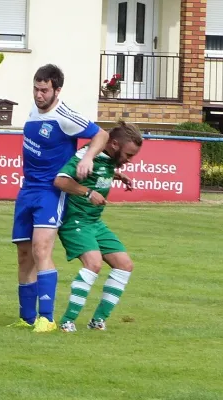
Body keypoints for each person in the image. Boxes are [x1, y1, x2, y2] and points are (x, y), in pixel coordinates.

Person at [11, 64, 109, 333]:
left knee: (41, 250)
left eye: (44, 90)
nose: (39, 95)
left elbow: (101, 135)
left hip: (50, 192)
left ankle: (47, 318)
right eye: (36, 88)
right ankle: (27, 317)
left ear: (57, 90)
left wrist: (87, 157)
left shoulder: (65, 115)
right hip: (27, 190)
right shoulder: (32, 111)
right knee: (23, 255)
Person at [53, 121, 143, 332]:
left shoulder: (110, 159)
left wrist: (119, 176)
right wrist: (88, 192)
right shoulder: (86, 156)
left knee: (125, 265)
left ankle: (97, 321)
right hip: (75, 222)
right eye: (128, 155)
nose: (129, 160)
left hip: (95, 223)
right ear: (113, 144)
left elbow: (104, 170)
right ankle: (67, 321)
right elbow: (60, 181)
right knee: (93, 264)